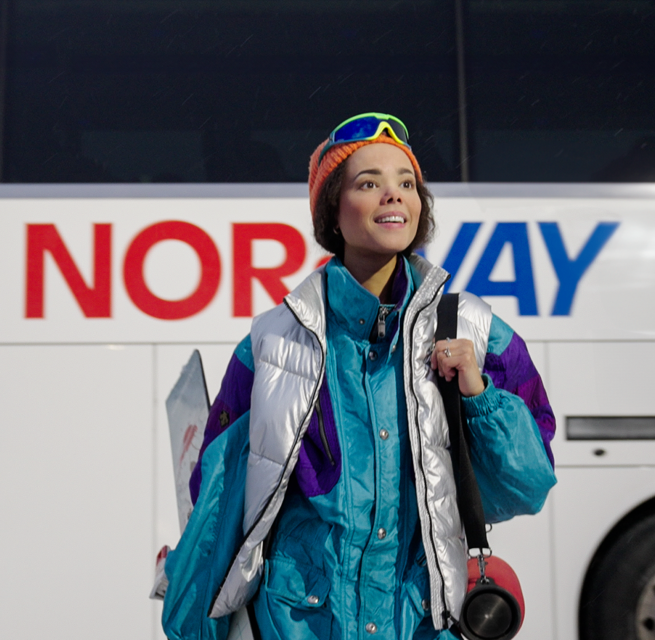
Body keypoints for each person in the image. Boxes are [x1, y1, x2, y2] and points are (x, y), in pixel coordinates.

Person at [161, 113, 557, 640]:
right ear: (333, 213)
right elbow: (215, 493)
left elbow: (527, 488)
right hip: (298, 624)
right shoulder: (273, 342)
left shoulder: (477, 332)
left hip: (420, 622)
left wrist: (478, 395)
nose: (393, 195)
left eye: (406, 183)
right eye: (368, 183)